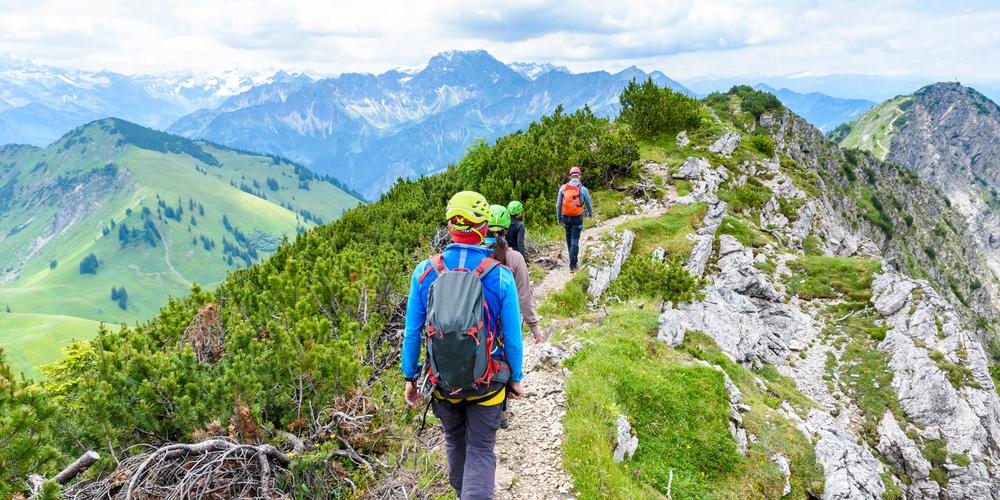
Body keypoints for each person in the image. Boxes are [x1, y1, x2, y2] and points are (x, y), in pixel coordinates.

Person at [402, 191, 525, 500]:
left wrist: (409, 377)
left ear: (450, 226)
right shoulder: (500, 276)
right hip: (488, 383)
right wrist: (516, 379)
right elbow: (512, 337)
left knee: (455, 441)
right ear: (483, 227)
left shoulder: (424, 272)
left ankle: (463, 494)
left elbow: (413, 332)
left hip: (443, 383)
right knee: (481, 448)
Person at [486, 204, 542, 430]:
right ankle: (502, 409)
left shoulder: (479, 255)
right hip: (507, 320)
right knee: (506, 358)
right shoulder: (515, 258)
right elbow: (524, 296)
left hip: (482, 321)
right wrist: (534, 327)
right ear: (507, 228)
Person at [556, 166, 593, 272]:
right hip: (577, 218)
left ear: (570, 176)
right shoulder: (583, 189)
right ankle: (573, 266)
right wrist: (590, 214)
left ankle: (571, 257)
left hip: (565, 217)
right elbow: (588, 203)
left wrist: (559, 217)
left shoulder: (563, 188)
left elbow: (558, 205)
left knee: (568, 238)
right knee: (575, 241)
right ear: (579, 176)